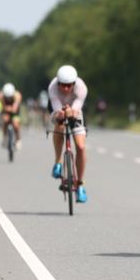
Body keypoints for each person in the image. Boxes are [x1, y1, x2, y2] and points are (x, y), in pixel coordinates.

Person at [48, 65, 89, 203]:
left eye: (68, 86)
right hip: (58, 109)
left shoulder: (81, 88)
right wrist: (61, 114)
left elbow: (76, 109)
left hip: (75, 111)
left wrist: (72, 112)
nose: (65, 89)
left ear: (74, 84)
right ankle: (58, 161)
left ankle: (80, 184)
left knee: (81, 147)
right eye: (62, 85)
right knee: (59, 125)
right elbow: (57, 109)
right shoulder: (52, 88)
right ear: (58, 83)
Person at [0, 82, 22, 150]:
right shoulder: (1, 96)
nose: (8, 98)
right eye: (7, 97)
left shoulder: (17, 95)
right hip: (6, 111)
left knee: (16, 124)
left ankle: (18, 139)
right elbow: (3, 107)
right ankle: (4, 137)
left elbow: (14, 109)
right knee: (5, 120)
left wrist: (9, 108)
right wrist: (6, 108)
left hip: (15, 112)